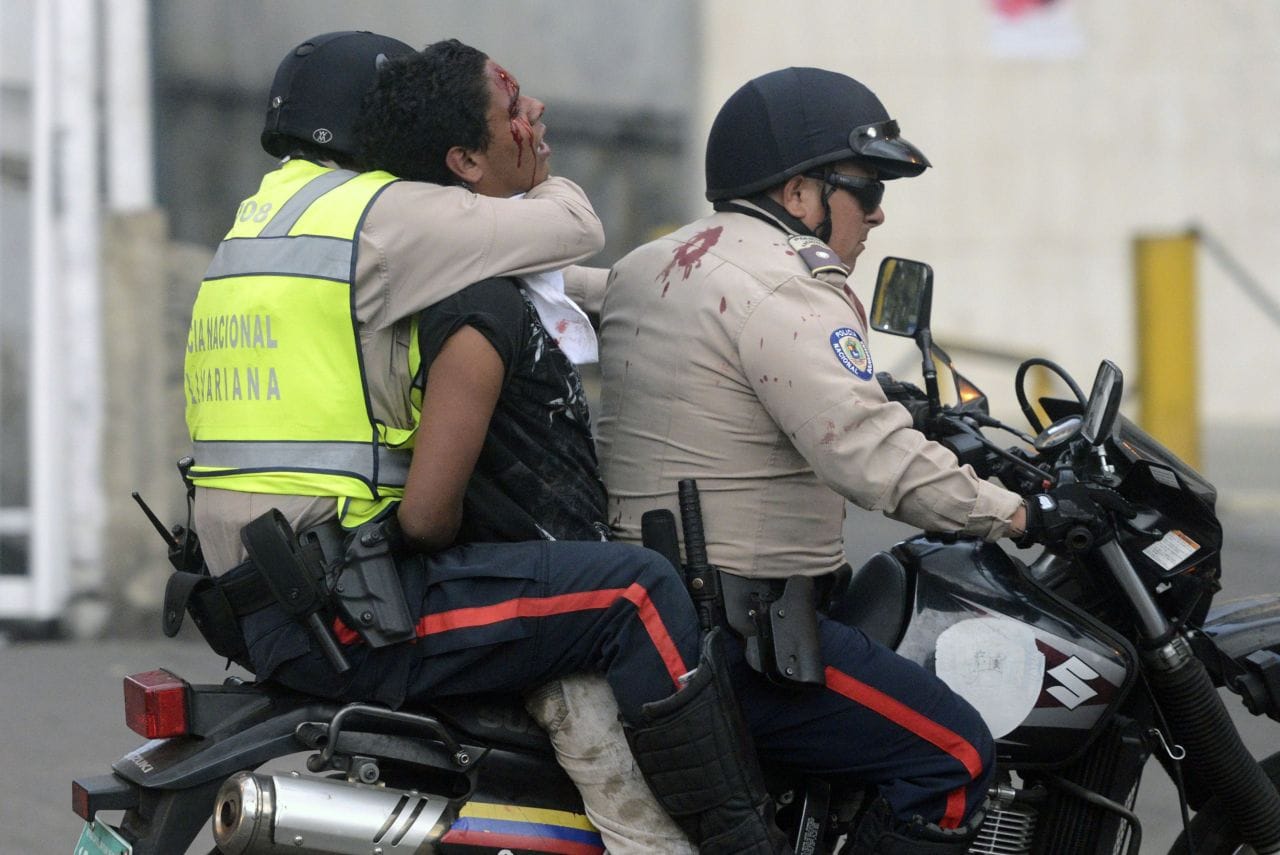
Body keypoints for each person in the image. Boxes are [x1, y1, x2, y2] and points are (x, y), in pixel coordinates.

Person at [182, 32, 788, 855]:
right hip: (354, 604)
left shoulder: (259, 231)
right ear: (449, 151)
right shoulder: (389, 219)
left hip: (258, 596)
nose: (532, 115)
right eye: (511, 108)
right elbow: (568, 229)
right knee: (639, 591)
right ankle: (741, 842)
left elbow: (563, 286)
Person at [593, 67, 1037, 853]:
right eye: (863, 187)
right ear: (800, 194)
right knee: (956, 756)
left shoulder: (650, 265)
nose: (876, 212)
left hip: (659, 624)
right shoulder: (786, 284)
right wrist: (1012, 511)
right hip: (739, 640)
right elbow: (866, 454)